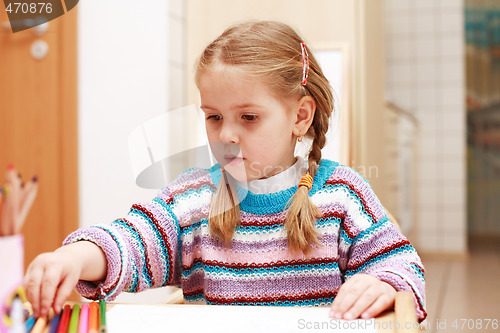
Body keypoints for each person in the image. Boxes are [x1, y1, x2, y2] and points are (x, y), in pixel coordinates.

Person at [24, 20, 426, 322]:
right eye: (214, 117)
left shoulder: (343, 195)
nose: (226, 135)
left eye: (248, 117)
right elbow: (132, 240)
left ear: (300, 116)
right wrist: (74, 258)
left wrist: (384, 284)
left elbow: (403, 266)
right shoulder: (193, 200)